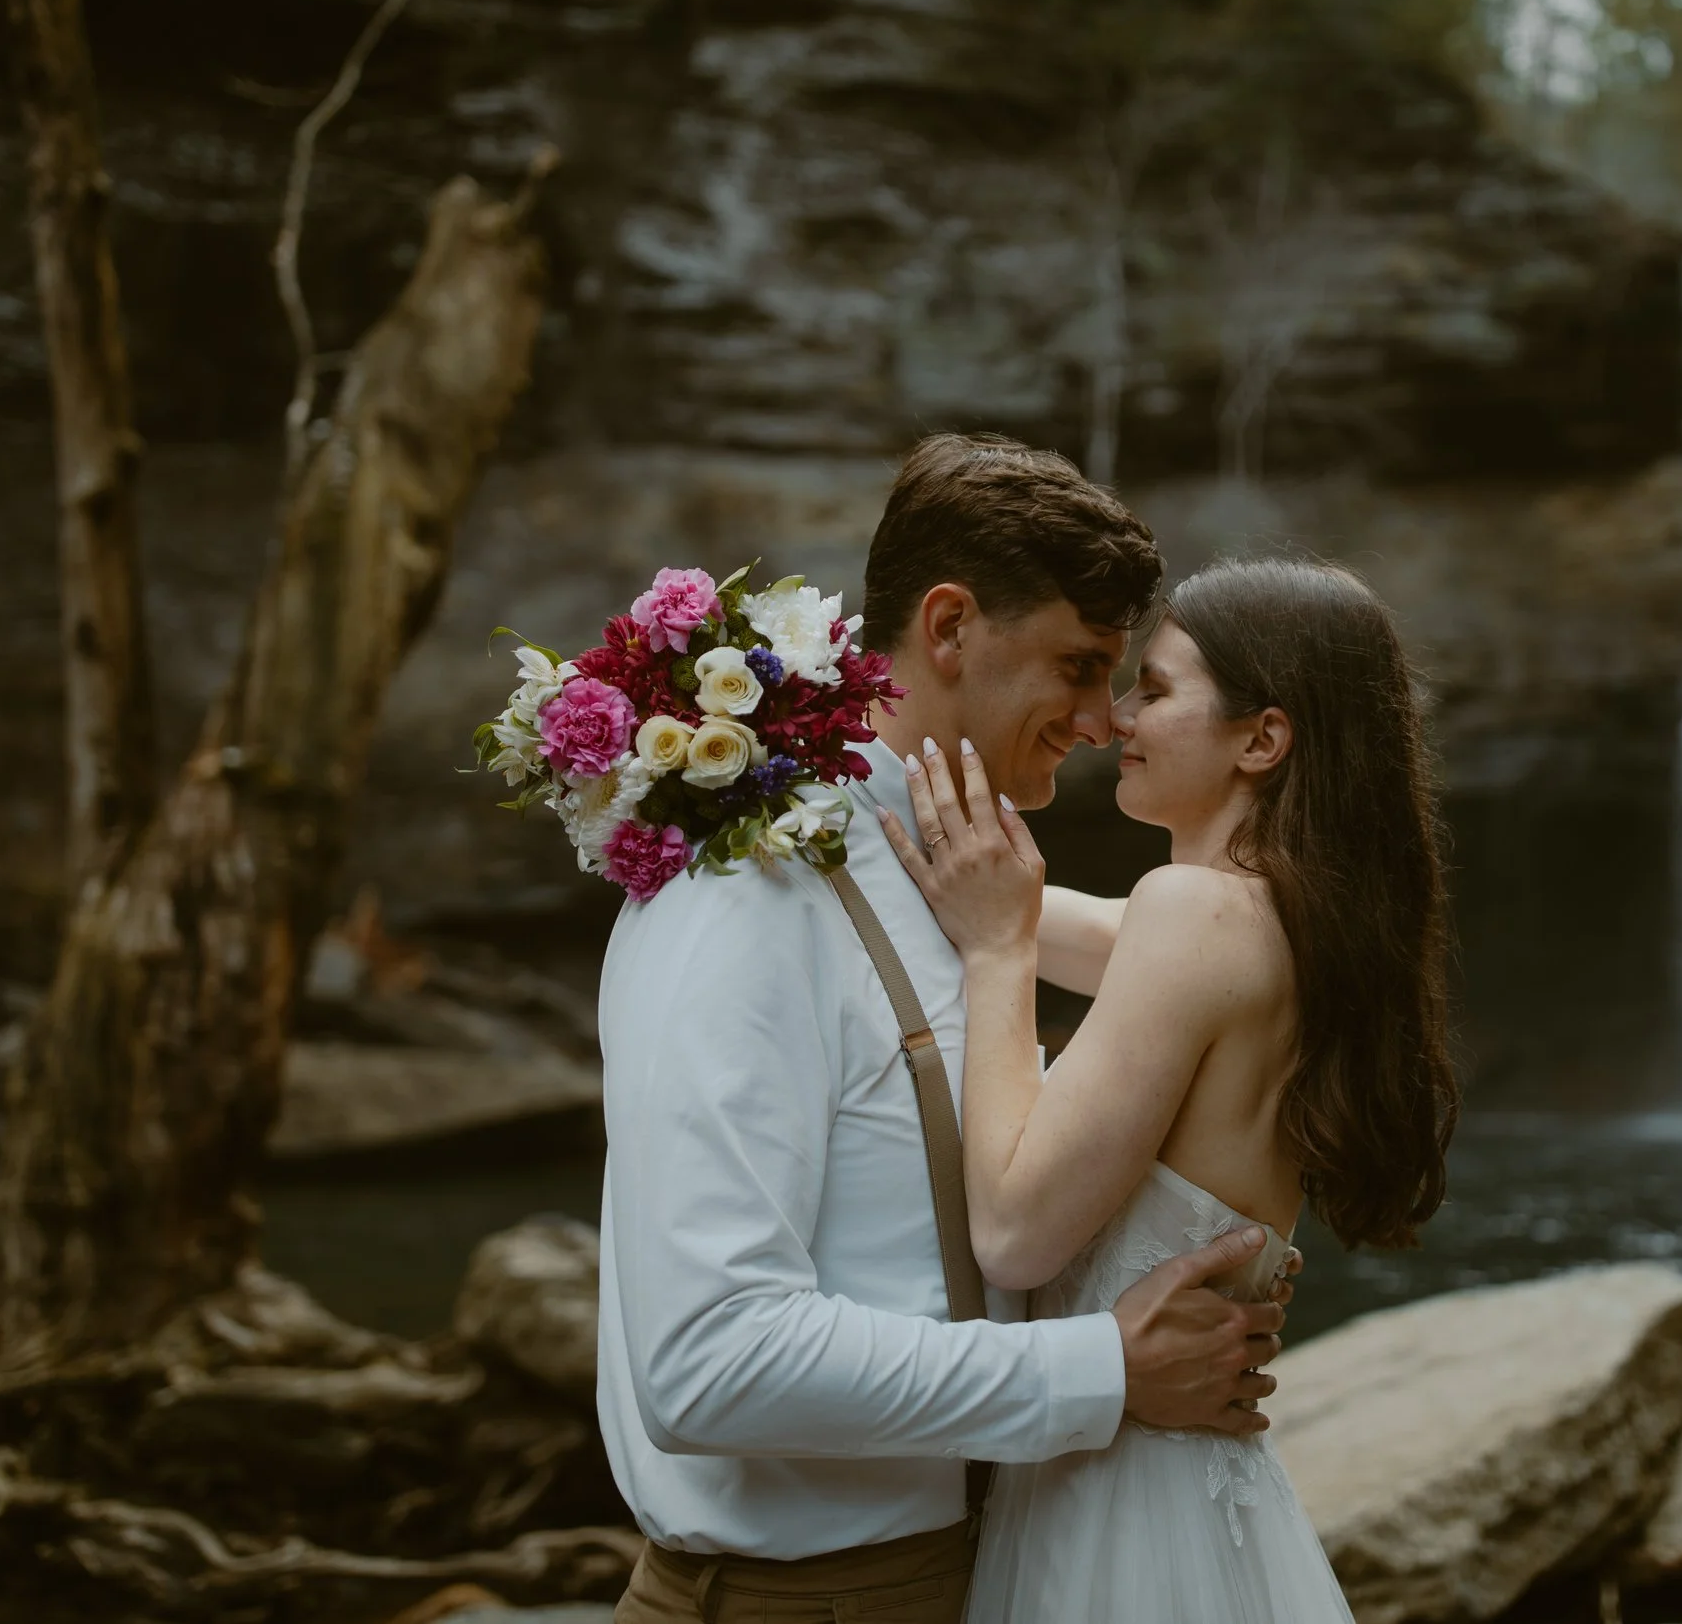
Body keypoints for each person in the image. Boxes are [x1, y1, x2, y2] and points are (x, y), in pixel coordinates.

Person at [601, 437, 1296, 1624]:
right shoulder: (748, 897)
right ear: (950, 625)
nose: (1101, 721)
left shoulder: (959, 879)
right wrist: (1106, 1367)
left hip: (985, 1571)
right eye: (1078, 666)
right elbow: (708, 1360)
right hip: (797, 1603)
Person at [879, 556, 1459, 1623]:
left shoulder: (1192, 912)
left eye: (1152, 688)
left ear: (1261, 739)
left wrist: (999, 956)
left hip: (1119, 1511)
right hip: (1187, 1498)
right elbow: (1023, 904)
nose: (1114, 718)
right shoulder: (1287, 924)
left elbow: (1012, 1232)